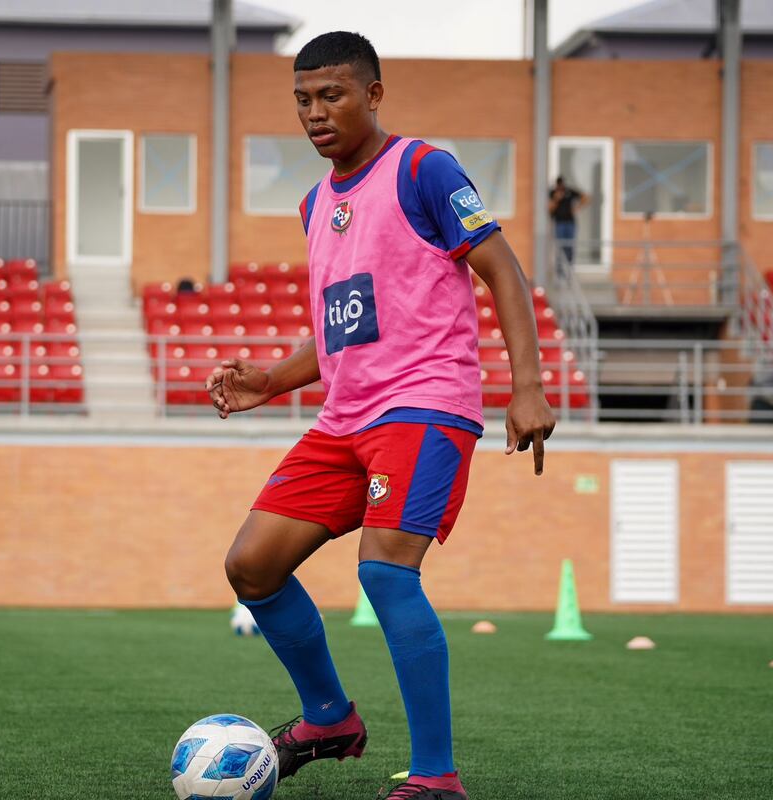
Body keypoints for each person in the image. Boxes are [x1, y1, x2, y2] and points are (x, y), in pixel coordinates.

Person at [205, 32, 556, 800]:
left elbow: (502, 269)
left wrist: (527, 386)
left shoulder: (423, 168)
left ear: (373, 95)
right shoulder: (314, 205)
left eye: (331, 95)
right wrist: (271, 381)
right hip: (345, 419)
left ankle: (436, 778)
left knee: (385, 572)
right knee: (252, 564)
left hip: (425, 405)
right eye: (303, 99)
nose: (315, 112)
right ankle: (328, 719)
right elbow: (345, 323)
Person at [548, 176, 590, 268]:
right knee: (560, 246)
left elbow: (586, 197)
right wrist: (556, 199)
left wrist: (577, 208)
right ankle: (560, 268)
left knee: (570, 246)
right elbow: (549, 209)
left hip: (570, 223)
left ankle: (570, 266)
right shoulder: (552, 193)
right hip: (559, 223)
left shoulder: (569, 191)